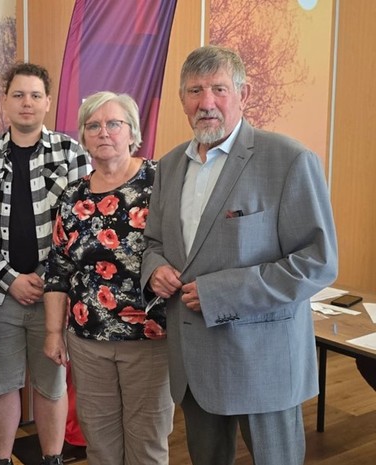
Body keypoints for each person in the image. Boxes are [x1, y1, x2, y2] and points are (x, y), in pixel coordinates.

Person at [141, 45, 338, 465]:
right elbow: (153, 242)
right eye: (195, 91)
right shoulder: (169, 166)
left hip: (262, 361)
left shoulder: (289, 159)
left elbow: (317, 262)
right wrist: (154, 269)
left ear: (243, 94)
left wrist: (222, 293)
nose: (206, 102)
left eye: (219, 89)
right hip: (195, 361)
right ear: (182, 100)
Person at [0, 62, 91, 465]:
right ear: (5, 101)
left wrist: (43, 277)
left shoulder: (71, 153)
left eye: (35, 95)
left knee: (52, 385)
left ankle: (52, 458)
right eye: (18, 95)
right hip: (1, 297)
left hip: (54, 296)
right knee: (1, 386)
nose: (27, 103)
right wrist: (10, 278)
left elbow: (80, 223)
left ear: (48, 102)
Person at [44, 91, 174, 464]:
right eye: (93, 126)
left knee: (146, 444)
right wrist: (53, 333)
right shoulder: (74, 196)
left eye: (114, 123)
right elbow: (58, 268)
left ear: (132, 132)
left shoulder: (161, 182)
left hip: (148, 338)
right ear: (83, 137)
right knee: (100, 443)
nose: (104, 132)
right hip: (88, 342)